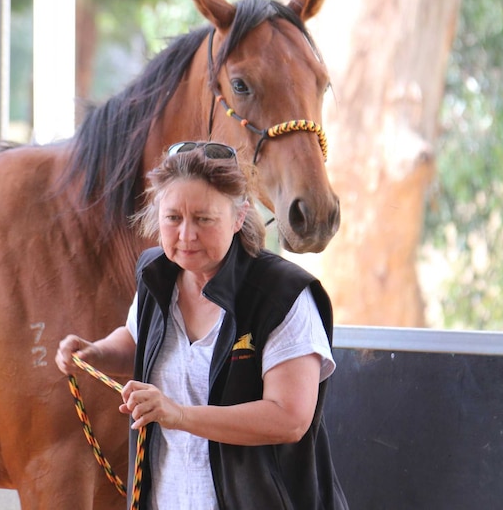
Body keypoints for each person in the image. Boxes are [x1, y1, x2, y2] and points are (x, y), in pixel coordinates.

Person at [55, 141, 348, 509]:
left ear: (239, 217)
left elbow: (289, 418)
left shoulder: (281, 295)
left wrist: (178, 414)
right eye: (173, 218)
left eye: (204, 219)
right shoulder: (155, 274)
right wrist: (93, 353)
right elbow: (136, 341)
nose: (186, 235)